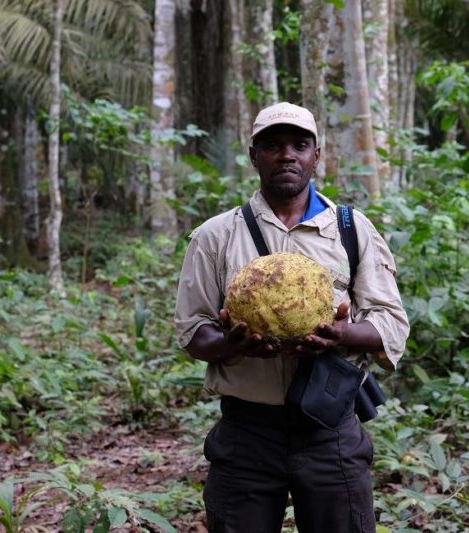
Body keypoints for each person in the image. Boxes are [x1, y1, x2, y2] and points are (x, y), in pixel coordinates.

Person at [174, 102, 410, 533]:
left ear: (316, 155)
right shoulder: (216, 236)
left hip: (330, 430)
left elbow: (392, 324)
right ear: (253, 155)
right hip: (247, 433)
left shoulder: (351, 230)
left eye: (299, 145)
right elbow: (192, 333)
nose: (287, 155)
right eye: (273, 145)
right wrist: (233, 343)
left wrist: (341, 334)